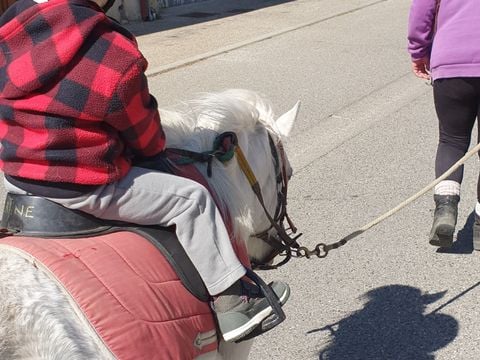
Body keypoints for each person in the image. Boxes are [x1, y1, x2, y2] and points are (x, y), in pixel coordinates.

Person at [0, 0, 290, 342]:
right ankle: (234, 303)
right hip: (84, 185)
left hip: (20, 176)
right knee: (192, 200)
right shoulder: (110, 49)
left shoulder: (12, 31)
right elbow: (146, 137)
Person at [407, 0, 480, 250]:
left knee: (452, 140)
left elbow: (421, 11)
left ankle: (446, 207)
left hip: (451, 61)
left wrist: (419, 52)